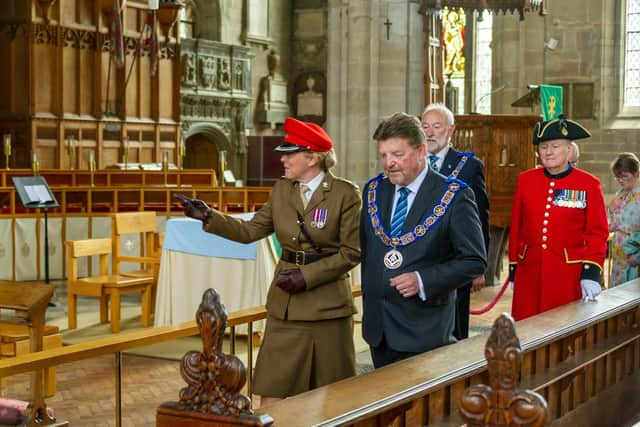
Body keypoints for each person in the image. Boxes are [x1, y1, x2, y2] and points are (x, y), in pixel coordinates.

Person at [178, 117, 361, 405]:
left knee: (333, 398)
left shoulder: (344, 194)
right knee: (271, 390)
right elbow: (250, 230)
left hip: (327, 309)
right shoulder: (281, 191)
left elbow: (351, 252)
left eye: (290, 154)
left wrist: (308, 276)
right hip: (286, 306)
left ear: (312, 157)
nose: (284, 160)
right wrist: (209, 216)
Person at [360, 112, 487, 368]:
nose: (389, 163)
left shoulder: (454, 195)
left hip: (424, 328)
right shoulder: (374, 190)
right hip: (379, 329)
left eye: (397, 154)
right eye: (384, 155)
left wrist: (422, 280)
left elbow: (474, 261)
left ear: (420, 151)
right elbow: (369, 253)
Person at [508, 115, 609, 321]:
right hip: (529, 273)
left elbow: (597, 232)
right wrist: (514, 267)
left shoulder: (588, 183)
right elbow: (517, 225)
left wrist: (590, 272)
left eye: (555, 146)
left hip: (566, 275)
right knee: (526, 332)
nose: (549, 152)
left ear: (569, 150)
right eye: (544, 147)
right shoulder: (525, 180)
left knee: (563, 334)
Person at [421, 103, 489, 340]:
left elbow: (480, 216)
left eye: (436, 127)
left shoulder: (468, 166)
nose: (429, 133)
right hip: (420, 259)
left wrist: (479, 266)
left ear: (451, 131)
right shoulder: (413, 163)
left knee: (455, 328)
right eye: (425, 126)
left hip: (454, 259)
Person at [607, 152, 640, 286]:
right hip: (618, 252)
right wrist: (610, 209)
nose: (621, 180)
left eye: (625, 176)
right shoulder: (620, 194)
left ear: (637, 173)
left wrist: (638, 257)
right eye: (618, 177)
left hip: (634, 255)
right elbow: (610, 226)